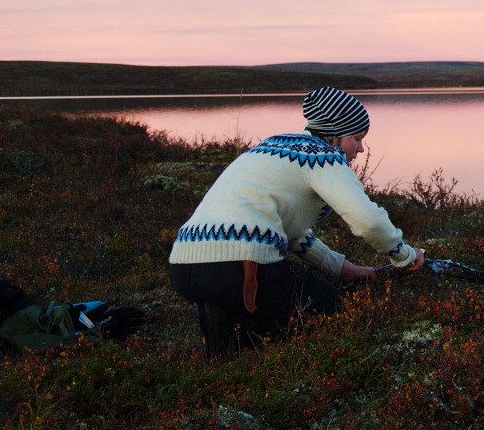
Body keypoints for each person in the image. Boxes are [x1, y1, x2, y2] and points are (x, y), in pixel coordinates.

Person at [168, 86, 423, 355]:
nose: (360, 149)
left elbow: (292, 234)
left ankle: (223, 316)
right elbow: (368, 220)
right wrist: (403, 254)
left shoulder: (272, 145)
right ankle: (238, 332)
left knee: (289, 291)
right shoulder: (322, 157)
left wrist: (343, 268)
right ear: (334, 133)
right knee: (329, 307)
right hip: (238, 267)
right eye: (356, 138)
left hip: (183, 267)